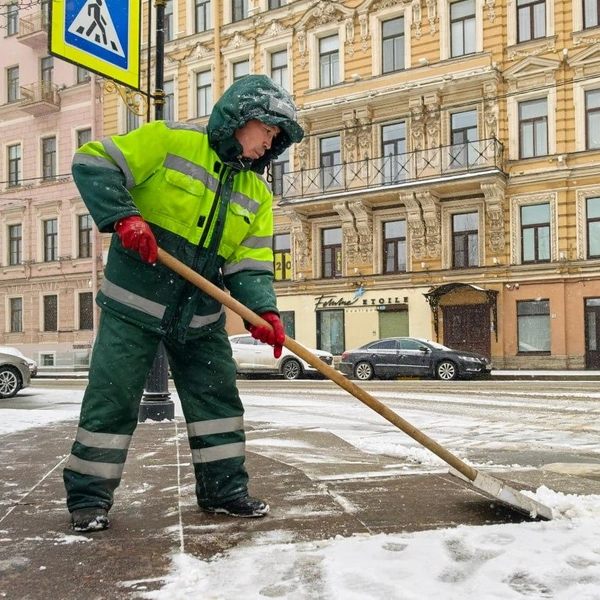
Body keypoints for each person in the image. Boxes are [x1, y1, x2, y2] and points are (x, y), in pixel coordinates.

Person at [64, 74, 304, 532]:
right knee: (111, 401)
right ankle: (89, 499)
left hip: (200, 316)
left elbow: (250, 266)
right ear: (243, 117)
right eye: (268, 133)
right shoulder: (170, 141)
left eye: (276, 140)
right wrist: (125, 217)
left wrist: (263, 312)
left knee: (218, 401)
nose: (270, 146)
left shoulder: (257, 194)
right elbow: (93, 161)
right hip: (133, 305)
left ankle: (224, 491)